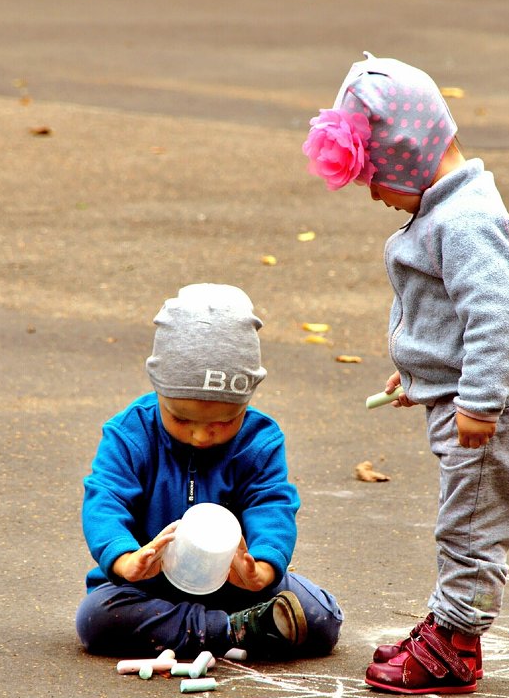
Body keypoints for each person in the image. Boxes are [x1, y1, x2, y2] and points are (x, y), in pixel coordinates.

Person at [302, 54, 509, 694]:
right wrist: (418, 376)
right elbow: (449, 323)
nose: (370, 192)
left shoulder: (465, 221)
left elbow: (495, 317)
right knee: (465, 523)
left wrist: (477, 402)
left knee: (470, 531)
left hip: (495, 408)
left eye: (373, 177)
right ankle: (450, 624)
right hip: (478, 397)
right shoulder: (446, 209)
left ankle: (455, 645)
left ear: (406, 159)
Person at [75, 283, 344, 661]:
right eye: (181, 419)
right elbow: (105, 499)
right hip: (149, 590)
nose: (201, 435)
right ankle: (233, 630)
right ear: (159, 392)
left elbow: (271, 505)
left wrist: (263, 569)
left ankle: (220, 626)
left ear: (246, 401)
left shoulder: (259, 441)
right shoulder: (129, 434)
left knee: (320, 617)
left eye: (223, 421)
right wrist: (125, 560)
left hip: (237, 586)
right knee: (97, 620)